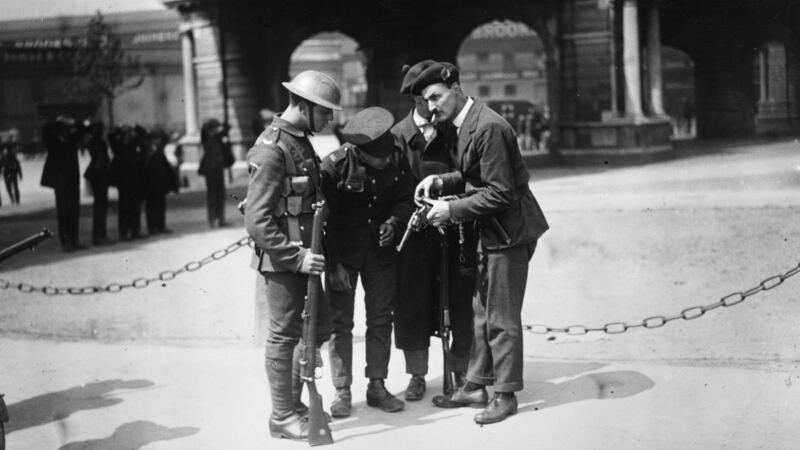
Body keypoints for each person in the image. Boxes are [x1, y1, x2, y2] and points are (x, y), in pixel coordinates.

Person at [411, 61, 549, 425]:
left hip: (508, 232)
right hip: (492, 231)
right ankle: (475, 384)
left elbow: (501, 192)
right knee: (480, 312)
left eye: (436, 97)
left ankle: (505, 394)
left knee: (501, 317)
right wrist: (443, 181)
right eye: (427, 101)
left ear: (456, 88)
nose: (432, 106)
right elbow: (477, 174)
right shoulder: (467, 122)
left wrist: (450, 209)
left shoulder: (488, 126)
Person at [244, 70, 341, 441]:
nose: (330, 119)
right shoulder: (272, 148)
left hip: (308, 255)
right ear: (304, 106)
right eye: (326, 112)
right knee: (284, 336)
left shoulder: (299, 140)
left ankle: (295, 406)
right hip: (285, 262)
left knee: (310, 331)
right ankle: (282, 414)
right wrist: (296, 258)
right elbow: (257, 221)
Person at [390, 60, 477, 402]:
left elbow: (472, 174)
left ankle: (460, 369)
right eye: (420, 101)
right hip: (414, 238)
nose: (429, 108)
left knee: (460, 299)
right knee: (411, 305)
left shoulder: (456, 129)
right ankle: (416, 375)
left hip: (455, 230)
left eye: (432, 99)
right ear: (412, 100)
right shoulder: (396, 137)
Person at [321, 106, 414, 418]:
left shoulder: (394, 158)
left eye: (388, 155)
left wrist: (394, 221)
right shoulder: (334, 166)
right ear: (360, 152)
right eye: (378, 157)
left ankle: (377, 385)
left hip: (380, 255)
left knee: (380, 320)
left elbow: (406, 196)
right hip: (343, 257)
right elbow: (325, 222)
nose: (385, 161)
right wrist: (333, 265)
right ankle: (342, 390)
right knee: (340, 323)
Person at [41, 116, 85, 252]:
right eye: (64, 128)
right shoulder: (53, 141)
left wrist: (72, 121)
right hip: (60, 182)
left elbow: (82, 128)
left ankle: (74, 240)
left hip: (72, 180)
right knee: (63, 213)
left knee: (74, 211)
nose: (67, 131)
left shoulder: (71, 140)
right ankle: (66, 242)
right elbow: (46, 130)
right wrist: (58, 121)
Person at [109, 125, 145, 241]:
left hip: (135, 179)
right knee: (124, 207)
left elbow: (142, 133)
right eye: (125, 133)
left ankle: (135, 231)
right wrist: (118, 128)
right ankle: (124, 233)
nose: (128, 135)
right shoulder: (117, 145)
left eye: (129, 133)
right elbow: (111, 136)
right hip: (123, 180)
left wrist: (135, 126)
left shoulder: (134, 143)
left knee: (135, 206)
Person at [199, 119, 233, 228]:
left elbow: (226, 129)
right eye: (214, 128)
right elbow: (204, 130)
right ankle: (212, 220)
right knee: (212, 195)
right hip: (210, 171)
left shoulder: (218, 138)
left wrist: (224, 127)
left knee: (220, 195)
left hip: (219, 169)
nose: (216, 130)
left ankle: (221, 219)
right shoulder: (206, 137)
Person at [143, 128, 177, 235]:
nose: (158, 141)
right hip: (150, 182)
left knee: (160, 205)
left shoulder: (159, 150)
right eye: (156, 138)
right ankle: (152, 227)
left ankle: (161, 226)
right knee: (151, 206)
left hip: (160, 182)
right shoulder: (148, 150)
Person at [84, 121, 113, 246]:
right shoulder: (98, 143)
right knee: (100, 207)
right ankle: (99, 237)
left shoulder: (93, 142)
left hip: (98, 175)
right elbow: (101, 159)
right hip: (100, 175)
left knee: (100, 207)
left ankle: (100, 236)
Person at [1, 131, 22, 205]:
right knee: (10, 188)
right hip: (9, 173)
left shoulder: (11, 157)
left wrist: (20, 174)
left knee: (12, 188)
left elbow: (18, 165)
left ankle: (16, 200)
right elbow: (1, 165)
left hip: (10, 173)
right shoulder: (5, 157)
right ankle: (14, 199)